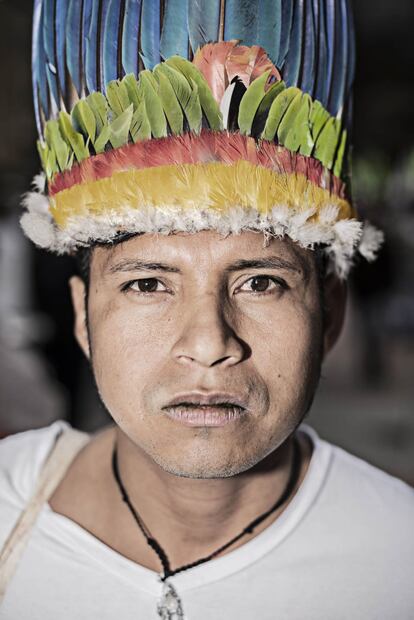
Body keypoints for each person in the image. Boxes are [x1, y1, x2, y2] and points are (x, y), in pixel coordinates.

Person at [0, 1, 413, 618]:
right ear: (83, 317)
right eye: (146, 285)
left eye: (261, 283)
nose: (209, 342)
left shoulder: (398, 556)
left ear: (331, 313)